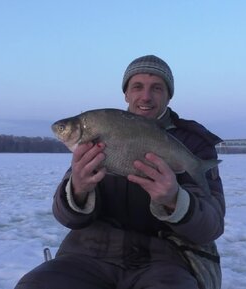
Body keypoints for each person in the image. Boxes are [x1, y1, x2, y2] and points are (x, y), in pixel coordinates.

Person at [15, 55, 225, 289]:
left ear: (169, 95)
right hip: (88, 253)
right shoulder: (102, 127)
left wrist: (175, 200)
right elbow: (66, 217)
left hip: (165, 259)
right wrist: (79, 189)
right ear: (126, 94)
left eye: (156, 88)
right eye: (137, 87)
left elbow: (211, 227)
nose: (145, 96)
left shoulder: (194, 145)